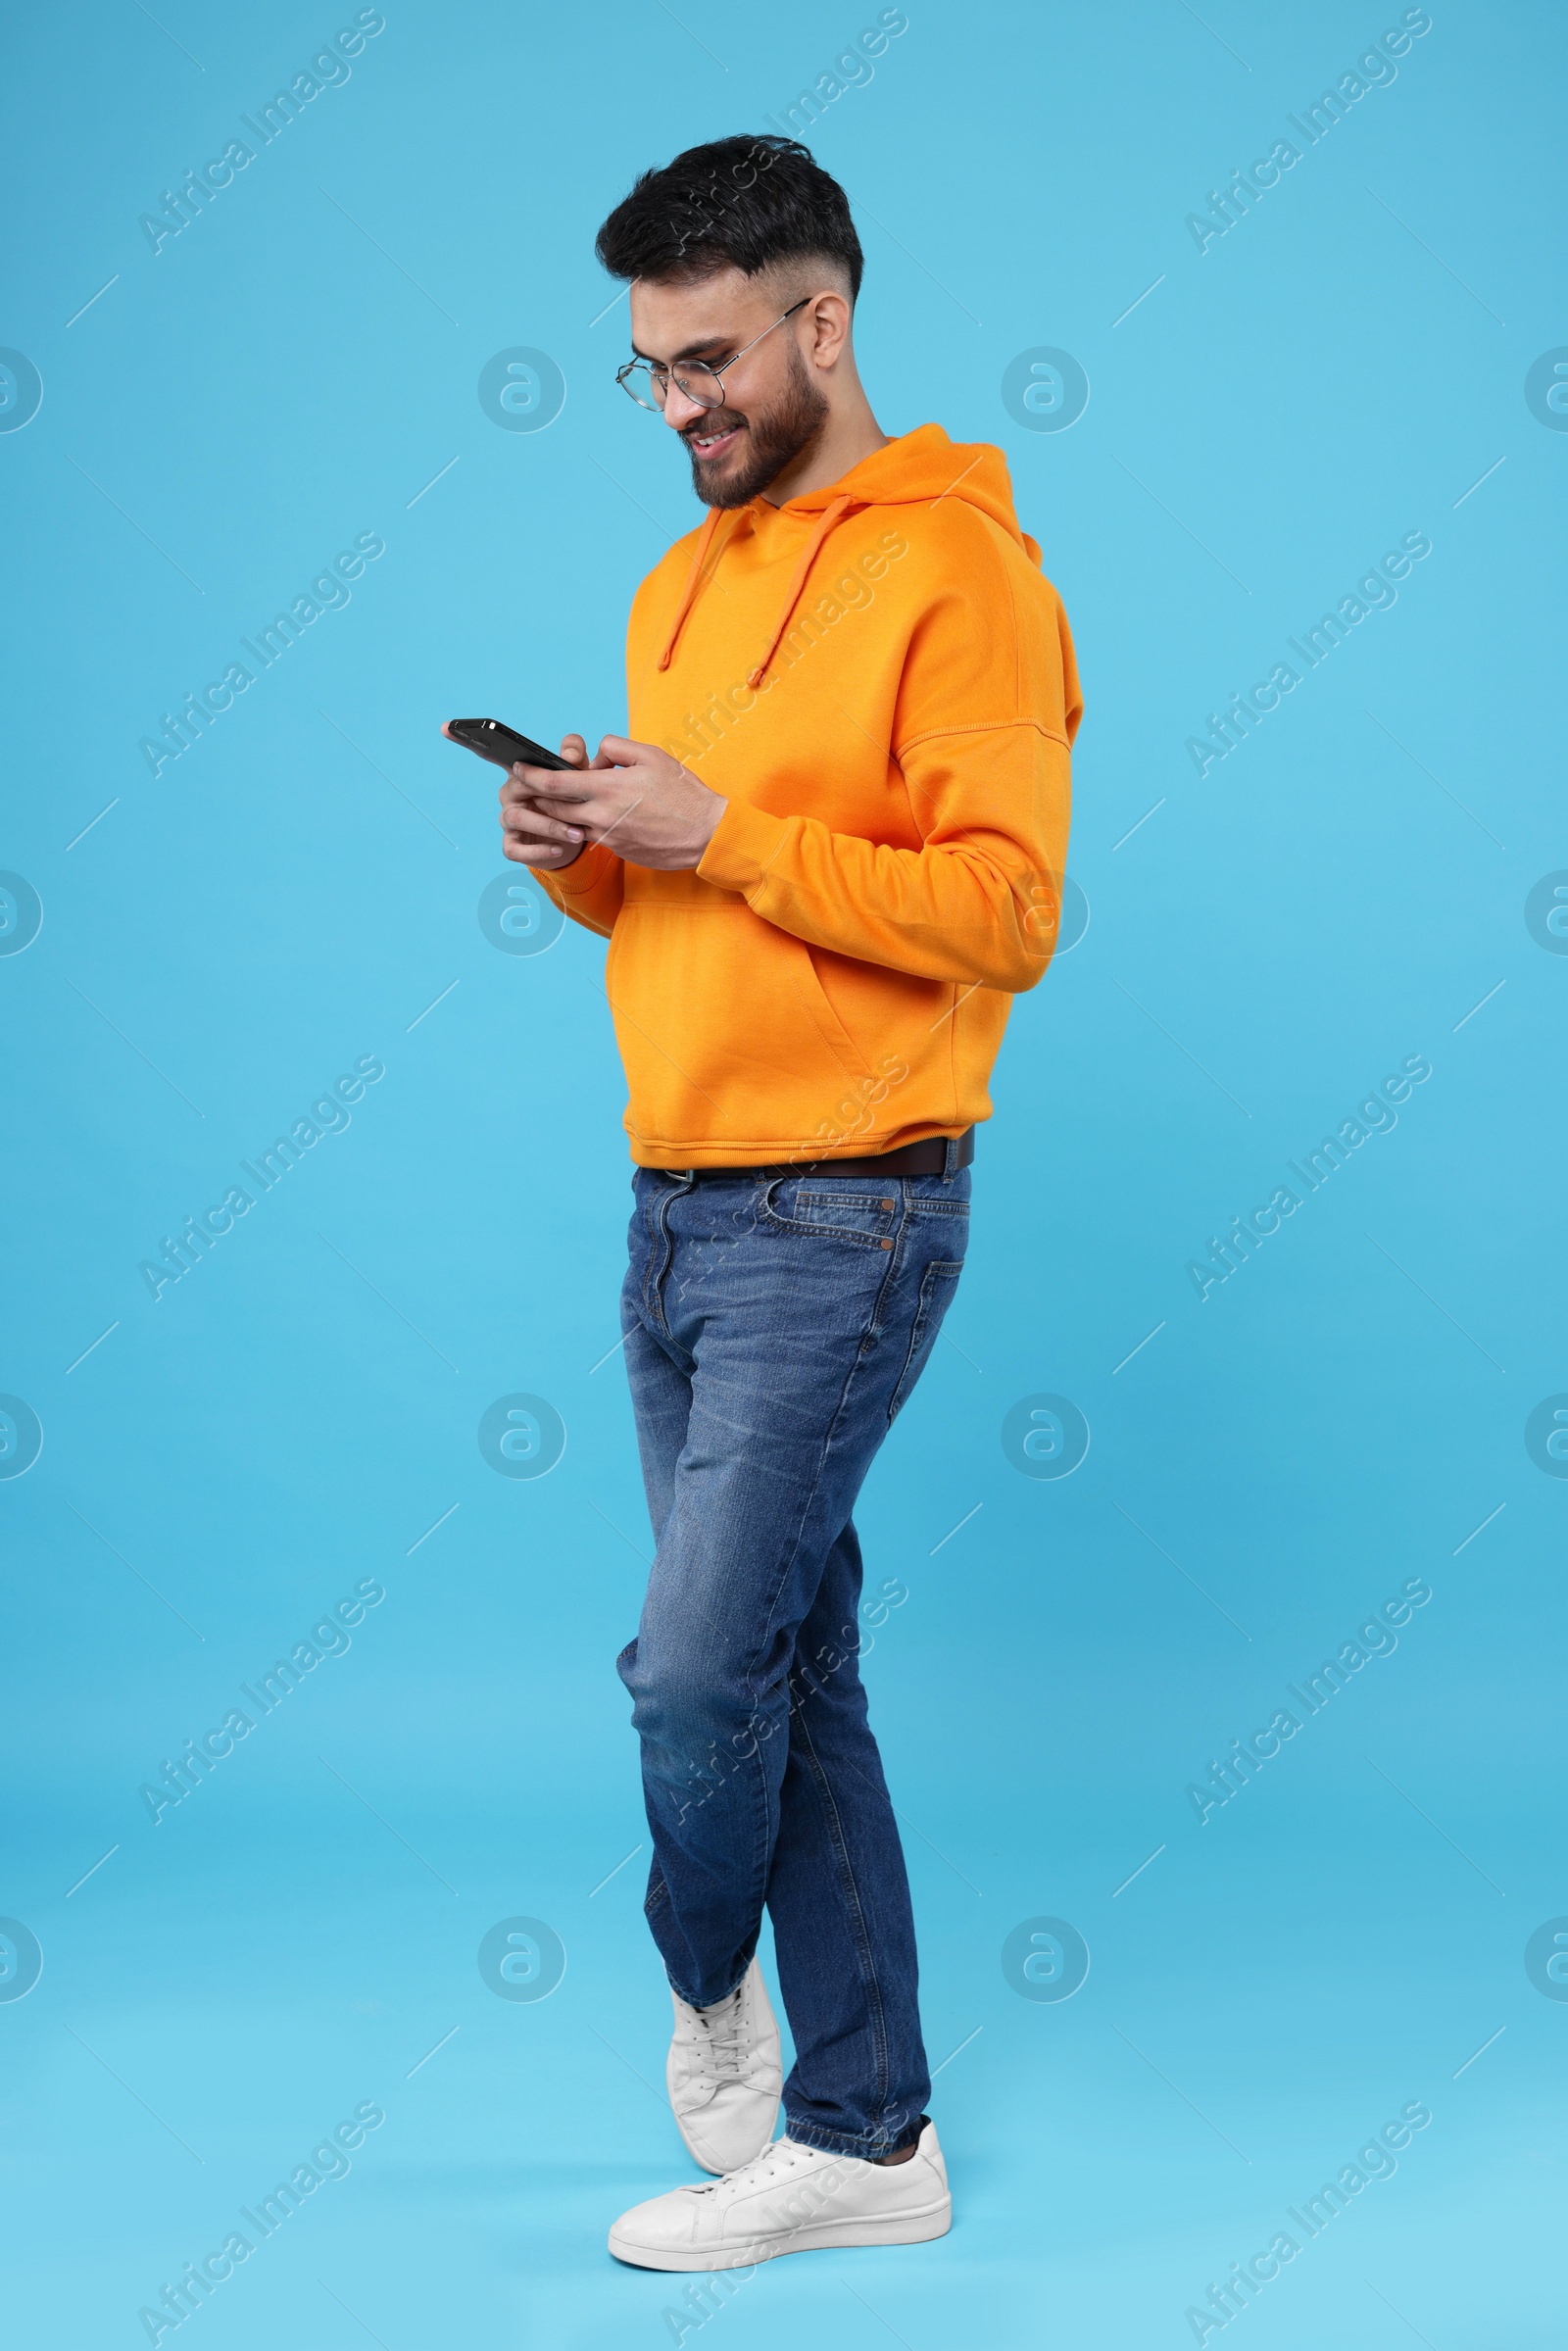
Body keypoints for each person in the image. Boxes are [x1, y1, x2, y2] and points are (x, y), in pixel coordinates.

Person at [496, 135, 1080, 2271]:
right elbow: (694, 914)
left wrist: (719, 826)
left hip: (846, 1215)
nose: (678, 406)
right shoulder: (679, 583)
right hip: (669, 1209)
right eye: (650, 369)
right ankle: (868, 2139)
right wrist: (590, 851)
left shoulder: (964, 577)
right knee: (788, 1672)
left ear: (820, 323)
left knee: (687, 1676)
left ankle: (709, 1979)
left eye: (712, 360)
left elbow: (1003, 913)